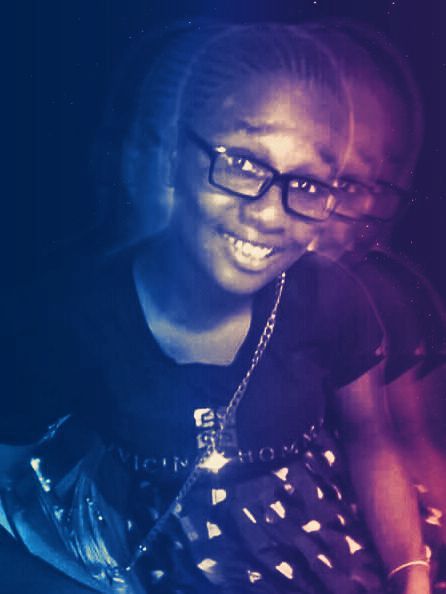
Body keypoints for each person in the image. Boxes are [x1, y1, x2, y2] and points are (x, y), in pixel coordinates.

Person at [2, 22, 431, 594]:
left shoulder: (333, 299)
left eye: (308, 183)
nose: (271, 214)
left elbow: (370, 437)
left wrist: (410, 573)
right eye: (244, 163)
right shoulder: (69, 321)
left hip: (330, 551)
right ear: (173, 154)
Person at [306, 21, 446, 585]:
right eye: (340, 178)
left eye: (379, 185)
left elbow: (406, 437)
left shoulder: (383, 292)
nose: (360, 206)